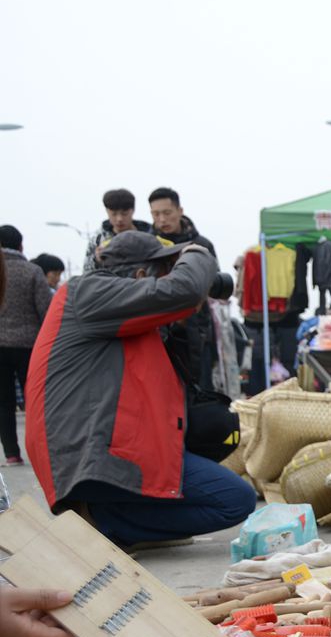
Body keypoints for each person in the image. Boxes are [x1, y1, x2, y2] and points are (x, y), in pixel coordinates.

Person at [26, 231, 255, 548]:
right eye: (164, 270)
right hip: (89, 451)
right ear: (139, 275)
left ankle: (112, 521)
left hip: (114, 443)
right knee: (233, 499)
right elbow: (185, 290)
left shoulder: (119, 312)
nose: (166, 280)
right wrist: (196, 251)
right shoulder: (86, 292)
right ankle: (99, 522)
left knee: (235, 499)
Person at [150, 187, 220, 392]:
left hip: (197, 331)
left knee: (200, 391)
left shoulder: (201, 245)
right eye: (156, 214)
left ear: (180, 211)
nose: (162, 219)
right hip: (158, 330)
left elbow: (214, 285)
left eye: (167, 212)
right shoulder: (149, 246)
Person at [0, 226, 52, 466]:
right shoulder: (33, 271)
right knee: (35, 401)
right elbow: (46, 310)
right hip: (30, 347)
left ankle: (11, 453)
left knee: (4, 402)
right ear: (21, 246)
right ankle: (40, 450)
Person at [83, 188, 154, 271]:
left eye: (124, 214)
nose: (119, 219)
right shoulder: (98, 240)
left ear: (133, 210)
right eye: (114, 214)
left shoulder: (150, 236)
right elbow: (87, 274)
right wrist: (97, 260)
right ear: (107, 211)